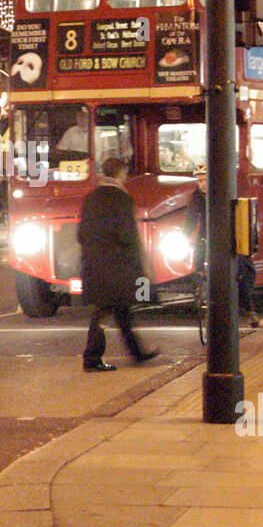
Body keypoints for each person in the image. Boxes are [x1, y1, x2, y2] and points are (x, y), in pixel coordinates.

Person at [77, 157, 159, 372]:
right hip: (117, 266)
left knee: (121, 310)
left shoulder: (91, 198)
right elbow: (128, 236)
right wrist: (142, 267)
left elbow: (80, 234)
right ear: (121, 173)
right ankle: (92, 358)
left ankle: (137, 353)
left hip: (94, 265)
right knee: (103, 313)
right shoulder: (121, 198)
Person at [184, 166, 259, 328]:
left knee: (241, 272)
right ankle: (203, 295)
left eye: (205, 180)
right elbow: (190, 219)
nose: (202, 184)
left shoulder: (222, 194)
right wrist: (185, 239)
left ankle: (249, 310)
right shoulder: (197, 196)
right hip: (205, 238)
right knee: (199, 267)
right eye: (199, 180)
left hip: (226, 239)